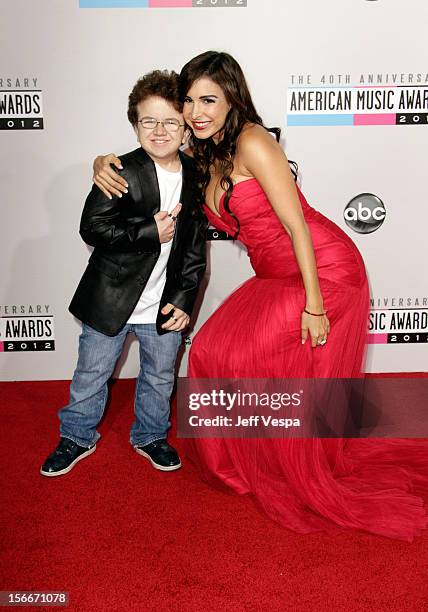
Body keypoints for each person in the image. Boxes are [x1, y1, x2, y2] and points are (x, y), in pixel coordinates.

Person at [92, 53, 428, 541]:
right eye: (188, 100)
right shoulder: (206, 153)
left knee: (263, 356)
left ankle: (293, 462)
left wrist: (315, 305)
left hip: (323, 270)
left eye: (208, 99)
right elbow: (155, 156)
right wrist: (103, 161)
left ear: (232, 99)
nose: (195, 111)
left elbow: (296, 226)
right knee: (210, 350)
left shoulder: (254, 141)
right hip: (272, 275)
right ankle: (247, 462)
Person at [40, 70, 207, 477]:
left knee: (159, 377)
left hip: (163, 304)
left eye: (170, 121)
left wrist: (184, 300)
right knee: (91, 375)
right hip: (111, 299)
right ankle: (76, 436)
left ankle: (150, 435)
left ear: (185, 125)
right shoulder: (119, 170)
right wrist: (150, 231)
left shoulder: (196, 175)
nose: (160, 130)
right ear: (134, 125)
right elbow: (92, 228)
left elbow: (194, 248)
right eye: (148, 121)